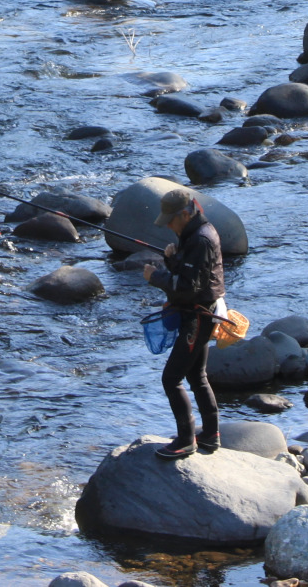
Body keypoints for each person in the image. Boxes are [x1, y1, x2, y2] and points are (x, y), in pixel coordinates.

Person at [140, 186, 224, 460]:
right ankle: (210, 435)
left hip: (197, 317)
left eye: (171, 221)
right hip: (203, 312)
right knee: (196, 376)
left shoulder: (200, 240)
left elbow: (187, 288)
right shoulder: (196, 234)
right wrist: (173, 259)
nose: (169, 227)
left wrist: (156, 277)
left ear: (186, 214)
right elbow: (193, 274)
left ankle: (186, 441)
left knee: (171, 378)